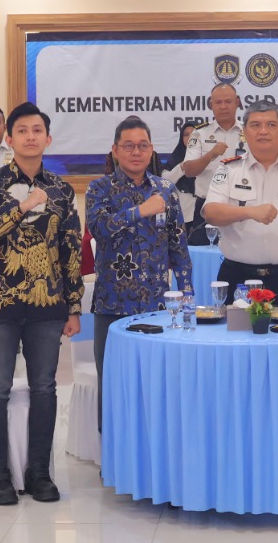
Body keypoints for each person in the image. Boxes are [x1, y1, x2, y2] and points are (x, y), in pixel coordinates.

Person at [0, 102, 83, 506]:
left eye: (37, 130)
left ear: (48, 138)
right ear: (9, 139)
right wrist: (21, 207)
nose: (30, 137)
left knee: (45, 388)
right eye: (22, 131)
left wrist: (73, 306)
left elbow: (71, 250)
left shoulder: (62, 190)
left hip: (46, 305)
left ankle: (39, 472)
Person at [85, 116, 190, 431]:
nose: (136, 152)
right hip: (112, 305)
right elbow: (99, 229)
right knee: (113, 382)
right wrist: (141, 210)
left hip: (158, 308)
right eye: (128, 146)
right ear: (115, 150)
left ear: (152, 149)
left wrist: (187, 295)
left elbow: (179, 248)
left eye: (143, 145)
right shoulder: (100, 188)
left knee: (158, 381)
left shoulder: (166, 190)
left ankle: (154, 445)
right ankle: (113, 450)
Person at [201, 98, 278, 305]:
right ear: (245, 131)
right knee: (235, 327)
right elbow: (211, 213)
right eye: (255, 125)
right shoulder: (229, 169)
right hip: (239, 279)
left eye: (271, 125)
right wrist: (249, 212)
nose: (263, 131)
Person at [179, 83, 244, 185]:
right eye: (218, 102)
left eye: (228, 101)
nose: (223, 107)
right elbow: (188, 171)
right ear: (211, 105)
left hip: (241, 194)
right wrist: (210, 155)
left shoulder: (249, 131)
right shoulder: (199, 133)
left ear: (237, 103)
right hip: (207, 195)